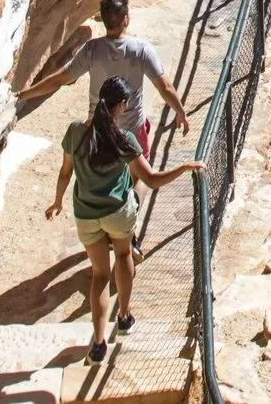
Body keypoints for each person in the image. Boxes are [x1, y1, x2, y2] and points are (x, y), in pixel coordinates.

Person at [46, 75, 200, 363]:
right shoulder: (124, 140)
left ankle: (99, 342)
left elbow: (66, 172)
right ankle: (125, 315)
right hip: (118, 212)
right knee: (124, 253)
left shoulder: (75, 132)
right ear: (123, 105)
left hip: (86, 214)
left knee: (99, 276)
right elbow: (151, 180)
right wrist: (185, 167)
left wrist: (57, 202)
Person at [23, 0, 189, 154]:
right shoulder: (141, 50)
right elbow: (165, 88)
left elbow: (58, 79)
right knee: (137, 174)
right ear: (126, 19)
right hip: (132, 130)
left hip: (99, 129)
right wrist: (180, 112)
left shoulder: (91, 50)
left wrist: (24, 95)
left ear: (103, 20)